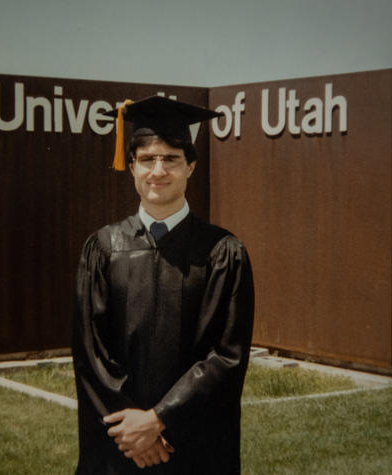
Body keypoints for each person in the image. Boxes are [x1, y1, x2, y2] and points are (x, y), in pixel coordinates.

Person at [72, 96, 255, 474]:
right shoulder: (103, 249)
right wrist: (134, 434)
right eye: (147, 159)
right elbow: (91, 355)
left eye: (170, 159)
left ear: (190, 166)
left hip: (192, 449)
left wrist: (159, 421)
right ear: (132, 167)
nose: (158, 170)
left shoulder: (222, 253)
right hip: (120, 449)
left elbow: (226, 357)